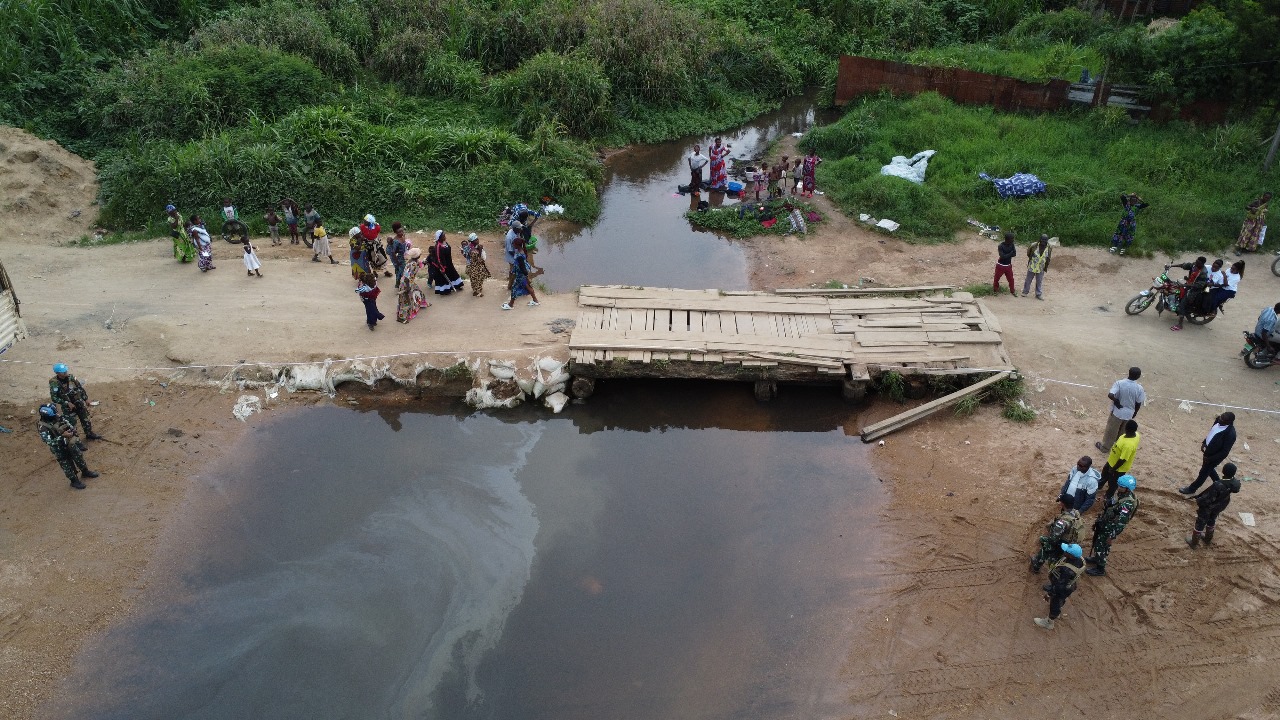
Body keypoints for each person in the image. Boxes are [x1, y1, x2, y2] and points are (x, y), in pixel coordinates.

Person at [1086, 474, 1138, 576]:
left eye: (1121, 487)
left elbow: (1121, 523)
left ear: (1127, 489)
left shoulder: (1127, 504)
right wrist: (1106, 501)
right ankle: (1097, 558)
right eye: (1119, 485)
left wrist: (1112, 536)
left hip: (1110, 527)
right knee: (1098, 542)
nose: (1119, 488)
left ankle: (1100, 568)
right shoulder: (1121, 494)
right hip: (1106, 522)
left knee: (1102, 545)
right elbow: (1113, 503)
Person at [37, 404, 98, 489]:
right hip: (59, 448)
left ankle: (85, 471)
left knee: (78, 456)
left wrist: (72, 430)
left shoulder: (56, 416)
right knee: (66, 464)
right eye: (53, 416)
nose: (55, 416)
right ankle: (74, 481)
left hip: (69, 442)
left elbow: (66, 423)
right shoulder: (43, 427)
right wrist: (63, 436)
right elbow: (49, 441)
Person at [1179, 412, 1236, 495]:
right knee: (1209, 469)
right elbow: (1212, 432)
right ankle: (1219, 483)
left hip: (1214, 457)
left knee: (1203, 473)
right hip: (1208, 452)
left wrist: (1210, 459)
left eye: (1223, 419)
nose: (1220, 419)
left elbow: (1224, 452)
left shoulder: (1230, 434)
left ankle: (1192, 489)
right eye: (1221, 417)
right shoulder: (1218, 421)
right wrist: (1204, 442)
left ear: (1229, 422)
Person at [1187, 463, 1240, 548]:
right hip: (1220, 506)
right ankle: (1208, 538)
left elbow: (1208, 499)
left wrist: (1199, 501)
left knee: (1200, 523)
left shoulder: (1218, 485)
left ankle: (1194, 542)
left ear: (1223, 471)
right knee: (1212, 520)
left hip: (1209, 507)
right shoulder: (1235, 483)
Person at [1033, 543, 1085, 630]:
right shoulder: (1079, 560)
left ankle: (1049, 622)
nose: (1064, 551)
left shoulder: (1066, 570)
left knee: (1055, 603)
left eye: (1066, 551)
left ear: (1071, 556)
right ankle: (1058, 610)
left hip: (1062, 589)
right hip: (1069, 586)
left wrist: (1049, 594)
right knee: (1061, 600)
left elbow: (1059, 587)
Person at [1030, 494, 1083, 573]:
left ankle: (1038, 565)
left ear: (1062, 504)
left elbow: (1053, 539)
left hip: (1062, 544)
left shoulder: (1063, 521)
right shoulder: (1076, 513)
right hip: (1072, 542)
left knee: (1046, 543)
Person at [50, 363, 102, 442]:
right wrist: (66, 403)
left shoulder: (71, 377)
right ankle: (76, 441)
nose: (65, 372)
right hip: (68, 408)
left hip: (79, 403)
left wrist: (86, 399)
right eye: (63, 372)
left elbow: (80, 388)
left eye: (65, 370)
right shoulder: (54, 383)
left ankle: (89, 434)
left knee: (86, 420)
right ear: (57, 373)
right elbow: (54, 398)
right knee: (72, 425)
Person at [1097, 367, 1143, 454]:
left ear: (1129, 373)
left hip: (1117, 412)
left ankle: (1105, 448)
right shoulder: (1139, 388)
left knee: (1111, 431)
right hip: (1129, 414)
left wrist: (1116, 401)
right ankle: (1117, 448)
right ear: (1138, 376)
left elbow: (1110, 395)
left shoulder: (1119, 383)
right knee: (1123, 433)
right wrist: (1135, 412)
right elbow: (1138, 403)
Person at [1099, 420, 1139, 505]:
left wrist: (1113, 469)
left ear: (1126, 429)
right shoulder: (1136, 435)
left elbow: (1123, 459)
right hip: (1111, 461)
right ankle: (1099, 485)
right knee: (1104, 474)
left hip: (1118, 468)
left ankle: (1108, 496)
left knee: (1113, 483)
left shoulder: (1128, 445)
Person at [1171, 256, 1209, 331]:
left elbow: (1200, 285)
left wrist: (1187, 285)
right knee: (1174, 288)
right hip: (1188, 285)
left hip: (1194, 290)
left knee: (1182, 304)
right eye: (1196, 261)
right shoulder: (1195, 265)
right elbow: (1184, 265)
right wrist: (1171, 266)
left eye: (1198, 262)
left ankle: (1180, 324)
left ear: (1202, 264)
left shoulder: (1203, 272)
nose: (1196, 263)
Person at [502, 238, 539, 310]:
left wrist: (527, 277)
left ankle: (510, 305)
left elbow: (522, 268)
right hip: (523, 274)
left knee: (514, 288)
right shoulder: (522, 251)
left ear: (517, 245)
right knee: (527, 286)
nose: (513, 245)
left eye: (513, 244)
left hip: (521, 275)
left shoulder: (519, 256)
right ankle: (535, 300)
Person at [427, 230, 464, 295]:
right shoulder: (438, 246)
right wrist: (442, 268)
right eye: (443, 236)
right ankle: (445, 290)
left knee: (453, 274)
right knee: (444, 279)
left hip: (449, 263)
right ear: (439, 238)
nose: (445, 237)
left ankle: (457, 285)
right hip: (443, 265)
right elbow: (438, 259)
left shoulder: (445, 243)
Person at [396, 247, 427, 323]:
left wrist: (424, 262)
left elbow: (420, 265)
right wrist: (407, 287)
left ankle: (421, 304)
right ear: (418, 256)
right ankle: (401, 317)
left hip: (410, 282)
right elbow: (407, 277)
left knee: (418, 292)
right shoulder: (412, 264)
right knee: (405, 301)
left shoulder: (414, 261)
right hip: (406, 283)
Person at [1022, 234, 1052, 300]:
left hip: (1041, 267)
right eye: (1042, 239)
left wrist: (1045, 266)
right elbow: (1028, 253)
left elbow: (1048, 257)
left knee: (1039, 281)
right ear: (1040, 239)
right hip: (1032, 265)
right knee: (1028, 280)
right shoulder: (1034, 245)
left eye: (1045, 240)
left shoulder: (1049, 247)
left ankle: (1038, 294)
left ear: (1047, 241)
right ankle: (1025, 292)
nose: (1043, 241)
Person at [465, 233, 491, 297]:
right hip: (475, 267)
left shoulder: (471, 247)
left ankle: (475, 290)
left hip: (472, 266)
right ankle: (477, 292)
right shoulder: (473, 250)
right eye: (476, 240)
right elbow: (480, 259)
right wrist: (480, 250)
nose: (478, 240)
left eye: (477, 239)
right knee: (478, 279)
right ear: (472, 241)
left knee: (474, 279)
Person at [993, 232, 1017, 296]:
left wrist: (1007, 255)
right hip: (1000, 265)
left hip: (1008, 265)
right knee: (996, 279)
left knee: (1011, 279)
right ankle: (995, 290)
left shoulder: (1012, 245)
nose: (1013, 240)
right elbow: (1002, 256)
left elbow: (1014, 254)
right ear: (1007, 239)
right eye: (1012, 239)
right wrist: (1010, 253)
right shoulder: (1001, 246)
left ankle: (1012, 291)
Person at [388, 222, 408, 288]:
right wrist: (397, 261)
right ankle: (402, 284)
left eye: (402, 231)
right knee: (402, 271)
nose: (401, 233)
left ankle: (398, 283)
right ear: (396, 232)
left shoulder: (402, 236)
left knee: (399, 270)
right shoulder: (396, 241)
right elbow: (393, 252)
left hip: (401, 257)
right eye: (399, 232)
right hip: (398, 258)